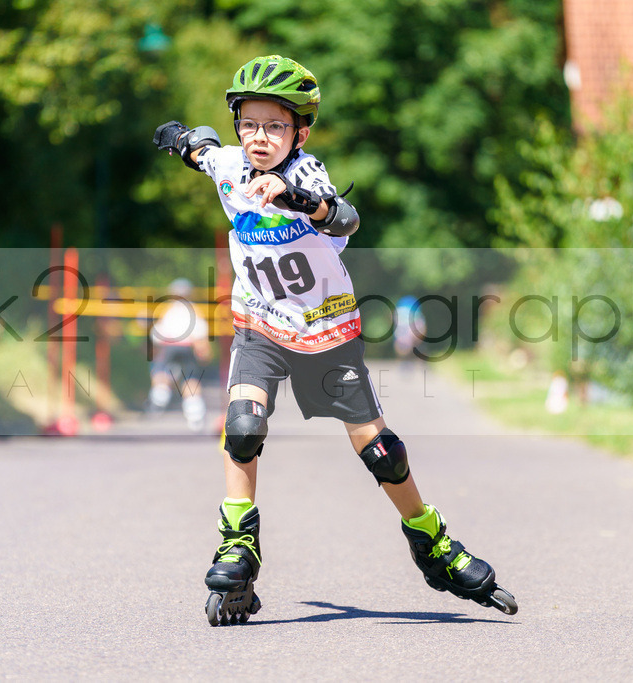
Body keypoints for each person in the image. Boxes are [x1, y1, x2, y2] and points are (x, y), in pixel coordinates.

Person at [154, 54, 516, 625]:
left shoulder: (307, 174)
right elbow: (202, 152)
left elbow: (341, 217)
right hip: (260, 325)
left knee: (380, 450)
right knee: (243, 425)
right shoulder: (228, 163)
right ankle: (237, 545)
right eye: (249, 123)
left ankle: (432, 542)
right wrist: (181, 139)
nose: (260, 137)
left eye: (275, 126)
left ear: (299, 131)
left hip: (326, 330)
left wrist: (296, 199)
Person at [147, 278, 212, 431]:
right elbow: (200, 333)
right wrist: (203, 350)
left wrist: (156, 351)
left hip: (169, 346)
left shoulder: (167, 310)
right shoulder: (194, 310)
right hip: (188, 346)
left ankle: (159, 395)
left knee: (162, 372)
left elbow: (156, 334)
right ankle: (194, 412)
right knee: (191, 379)